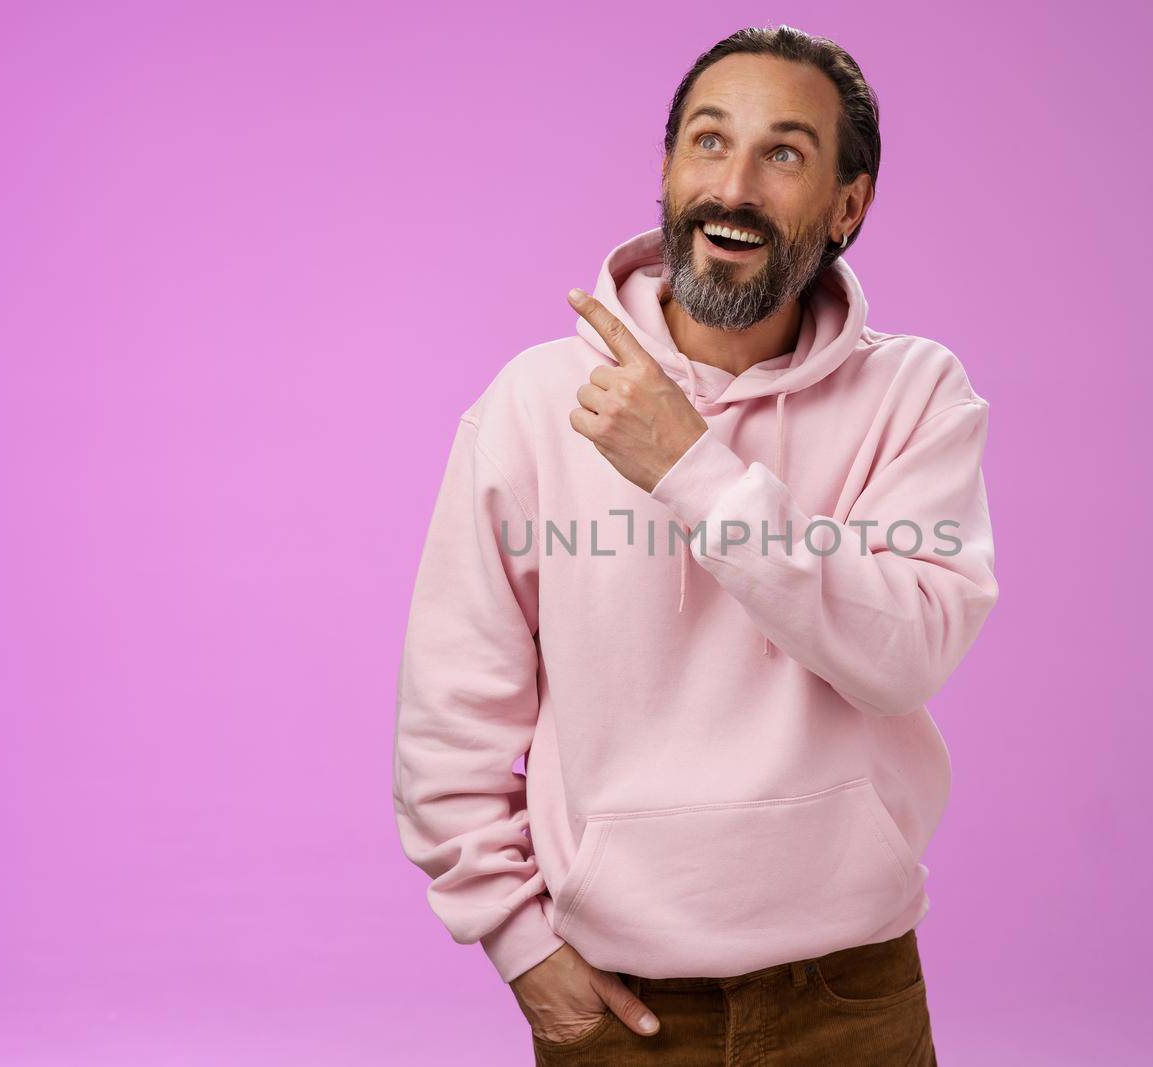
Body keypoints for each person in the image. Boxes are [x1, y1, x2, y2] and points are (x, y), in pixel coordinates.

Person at [393, 25, 998, 1064]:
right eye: (708, 143)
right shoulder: (536, 403)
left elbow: (907, 657)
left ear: (847, 205)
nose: (735, 186)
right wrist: (518, 938)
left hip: (850, 993)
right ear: (667, 169)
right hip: (618, 1005)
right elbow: (452, 708)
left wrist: (691, 467)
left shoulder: (916, 396)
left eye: (785, 153)